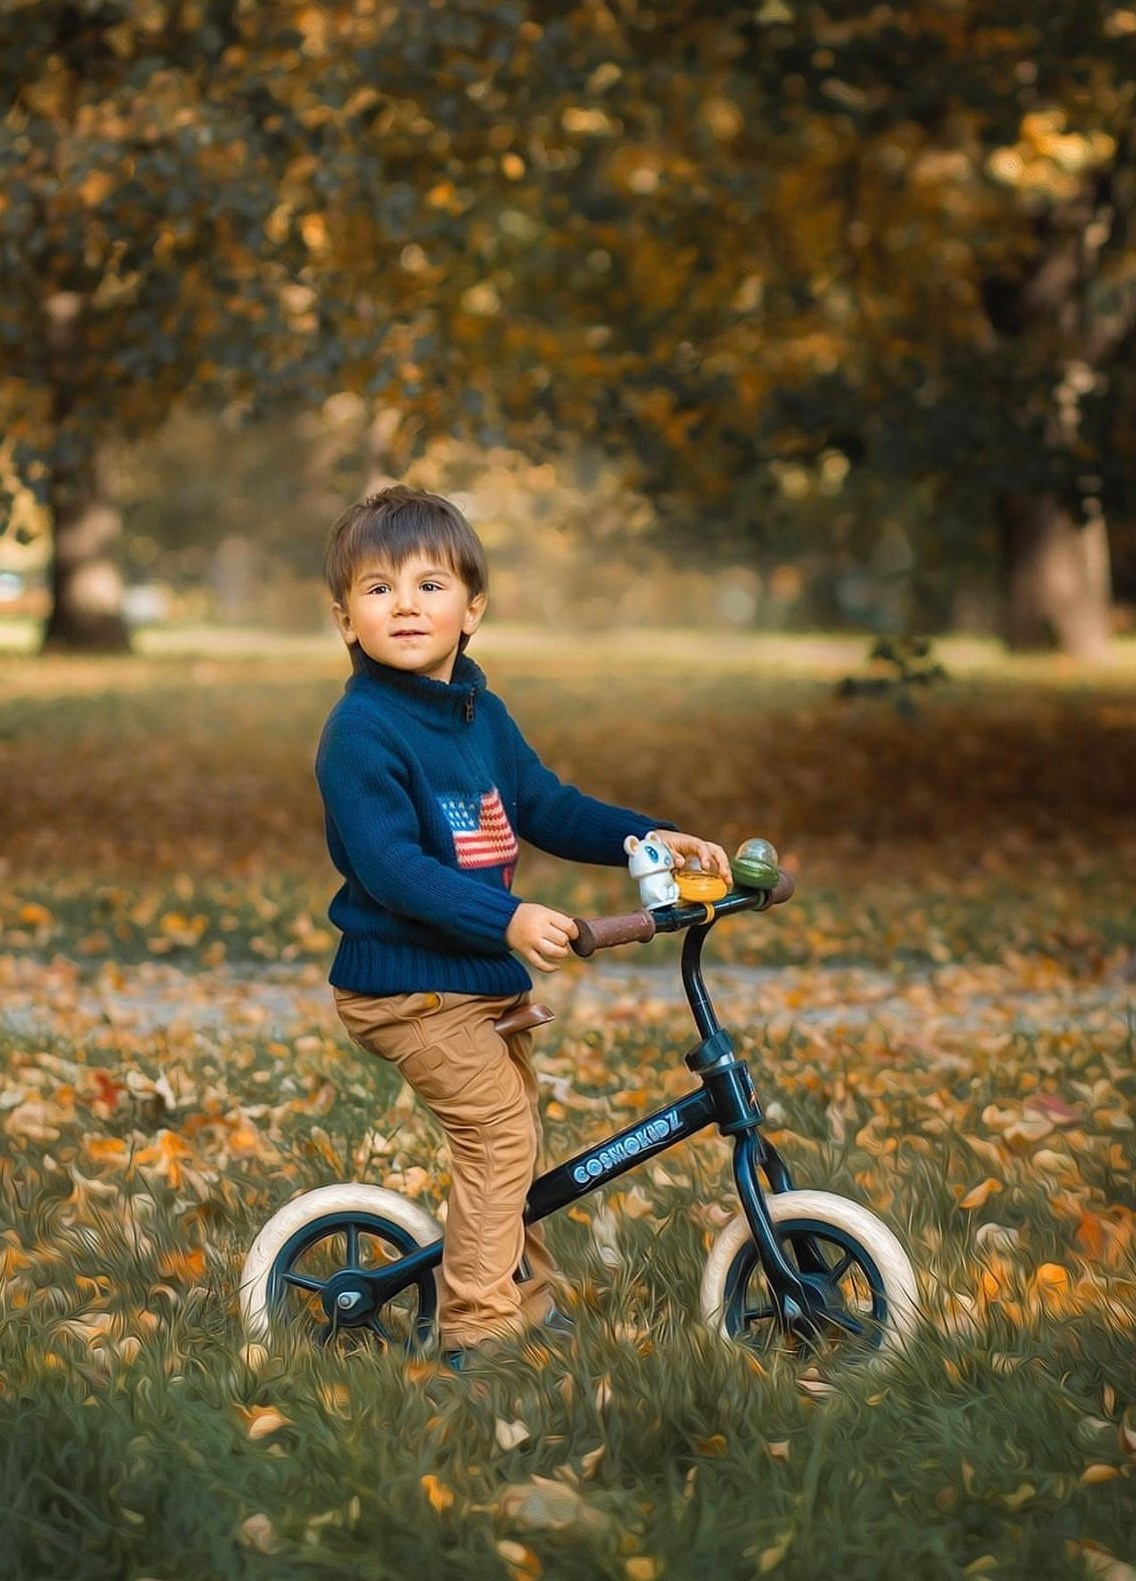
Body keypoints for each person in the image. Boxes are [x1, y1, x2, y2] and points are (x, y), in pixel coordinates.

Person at [316, 484, 731, 1366]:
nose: (405, 605)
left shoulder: (478, 713)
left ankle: (528, 1302)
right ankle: (477, 1332)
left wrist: (643, 837)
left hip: (471, 981)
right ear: (346, 619)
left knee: (517, 1139)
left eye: (430, 585)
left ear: (474, 608)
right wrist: (507, 918)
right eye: (378, 588)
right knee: (500, 1134)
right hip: (405, 986)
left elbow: (544, 803)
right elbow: (392, 868)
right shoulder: (360, 731)